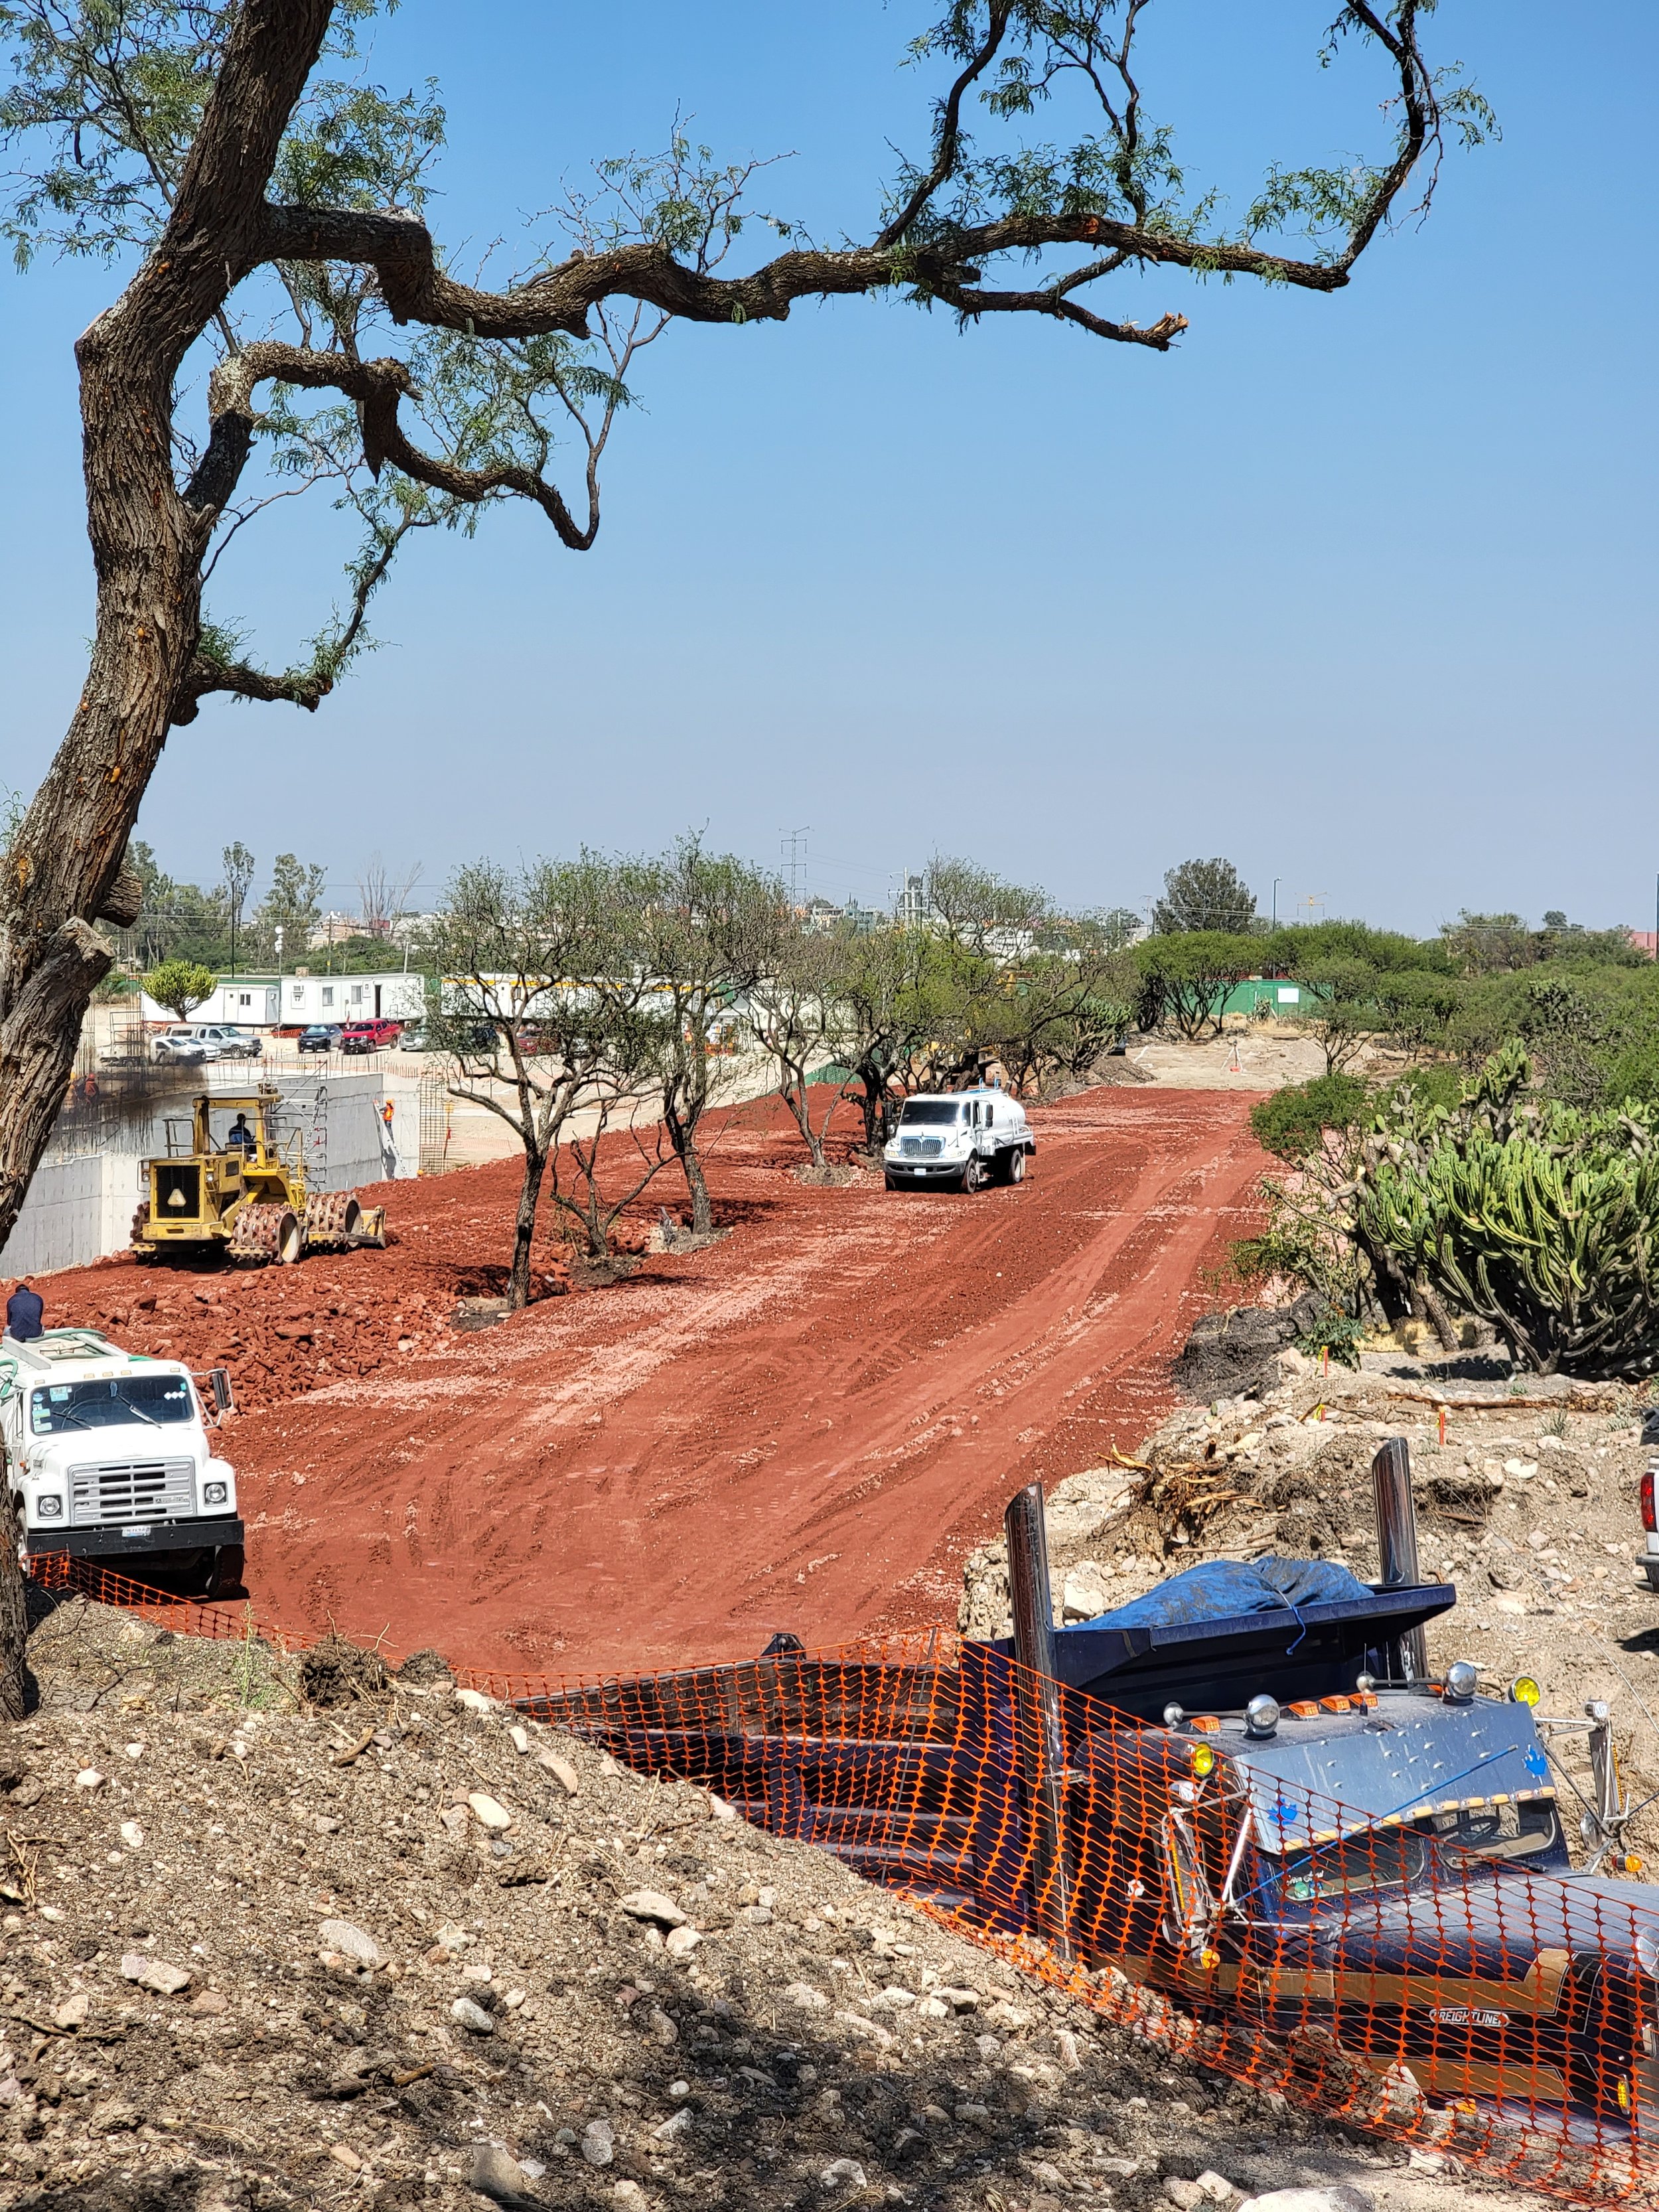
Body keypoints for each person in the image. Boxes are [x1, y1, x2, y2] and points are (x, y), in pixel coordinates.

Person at [5, 1278, 44, 1342]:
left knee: (6, 1330)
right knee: (42, 1328)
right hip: (36, 1335)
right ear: (28, 1291)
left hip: (17, 1335)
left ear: (17, 1292)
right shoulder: (38, 1298)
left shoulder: (12, 1300)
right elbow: (38, 1318)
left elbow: (9, 1323)